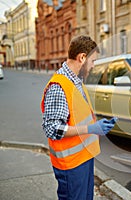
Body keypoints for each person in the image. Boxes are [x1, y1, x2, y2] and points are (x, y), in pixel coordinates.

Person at [41, 35, 116, 200]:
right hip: (71, 166)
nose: (93, 66)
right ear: (82, 57)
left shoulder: (76, 81)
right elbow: (52, 128)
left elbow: (79, 116)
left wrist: (98, 126)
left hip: (83, 159)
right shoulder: (59, 86)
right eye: (93, 61)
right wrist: (90, 129)